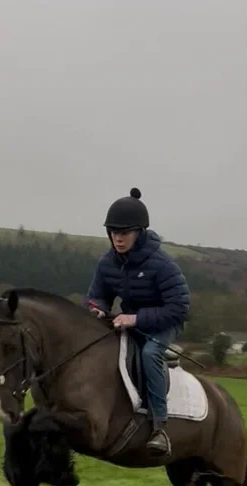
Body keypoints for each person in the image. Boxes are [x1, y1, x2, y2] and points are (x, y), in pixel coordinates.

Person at [86, 188, 190, 455]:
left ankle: (159, 428)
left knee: (149, 353)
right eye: (113, 232)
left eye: (124, 233)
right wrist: (96, 309)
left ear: (139, 233)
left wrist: (135, 318)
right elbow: (98, 295)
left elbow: (179, 308)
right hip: (129, 321)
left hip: (165, 323)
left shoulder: (161, 264)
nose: (118, 239)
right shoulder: (107, 262)